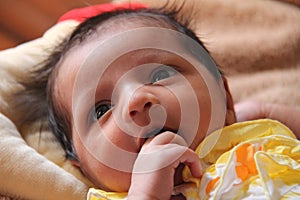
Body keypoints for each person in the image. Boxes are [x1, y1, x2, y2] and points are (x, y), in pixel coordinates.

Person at [17, 4, 299, 200]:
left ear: (224, 97)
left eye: (161, 74)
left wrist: (264, 112)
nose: (137, 100)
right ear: (82, 166)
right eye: (102, 109)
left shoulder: (253, 130)